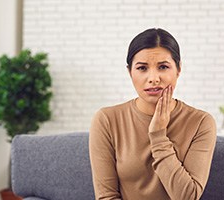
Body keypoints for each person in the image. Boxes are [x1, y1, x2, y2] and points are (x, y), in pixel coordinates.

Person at [89, 28, 216, 200]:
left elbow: (188, 196)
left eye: (163, 67)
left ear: (178, 69)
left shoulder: (201, 122)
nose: (153, 78)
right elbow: (107, 196)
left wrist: (158, 136)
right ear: (130, 72)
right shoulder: (107, 120)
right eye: (142, 68)